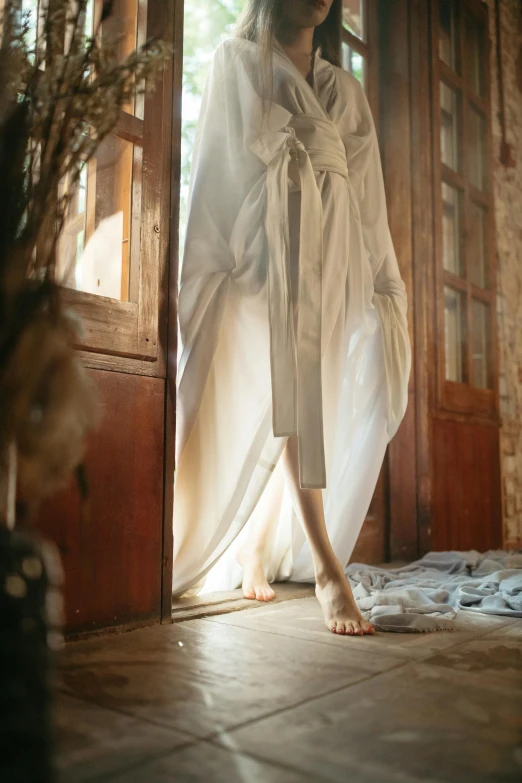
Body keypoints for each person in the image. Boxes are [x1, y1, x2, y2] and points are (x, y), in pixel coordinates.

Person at [173, 0, 411, 636]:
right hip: (270, 243)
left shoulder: (347, 90)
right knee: (293, 384)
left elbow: (368, 198)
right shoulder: (237, 61)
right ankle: (328, 566)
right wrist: (212, 272)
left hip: (334, 255)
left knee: (305, 394)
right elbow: (217, 170)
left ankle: (256, 543)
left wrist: (382, 283)